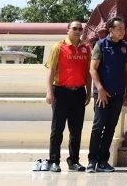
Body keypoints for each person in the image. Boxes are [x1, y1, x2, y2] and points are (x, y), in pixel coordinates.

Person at [44, 20, 92, 173]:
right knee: (57, 129)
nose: (78, 31)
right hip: (61, 91)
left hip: (78, 92)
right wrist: (49, 91)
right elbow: (51, 71)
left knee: (76, 129)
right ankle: (53, 161)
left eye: (80, 29)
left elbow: (88, 73)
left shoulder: (86, 49)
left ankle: (73, 161)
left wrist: (89, 92)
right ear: (68, 30)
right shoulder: (59, 47)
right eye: (75, 28)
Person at [87, 16, 127, 173]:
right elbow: (93, 68)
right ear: (110, 29)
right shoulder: (101, 45)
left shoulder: (126, 47)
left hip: (118, 93)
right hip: (102, 93)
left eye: (123, 29)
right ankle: (92, 161)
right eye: (119, 28)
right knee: (98, 126)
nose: (122, 31)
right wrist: (99, 89)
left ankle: (103, 161)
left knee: (111, 127)